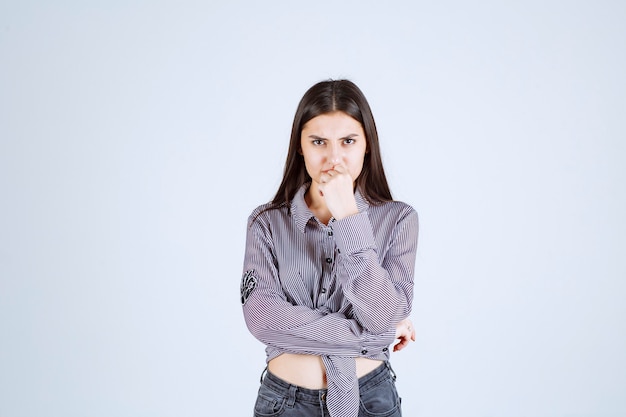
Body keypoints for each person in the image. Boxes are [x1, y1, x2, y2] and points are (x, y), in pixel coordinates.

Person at [240, 79, 419, 417]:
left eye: (348, 141)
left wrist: (349, 218)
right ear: (300, 147)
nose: (333, 158)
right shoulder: (266, 223)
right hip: (285, 404)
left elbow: (384, 315)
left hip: (370, 400)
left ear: (367, 146)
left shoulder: (399, 219)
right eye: (319, 141)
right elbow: (263, 319)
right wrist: (370, 337)